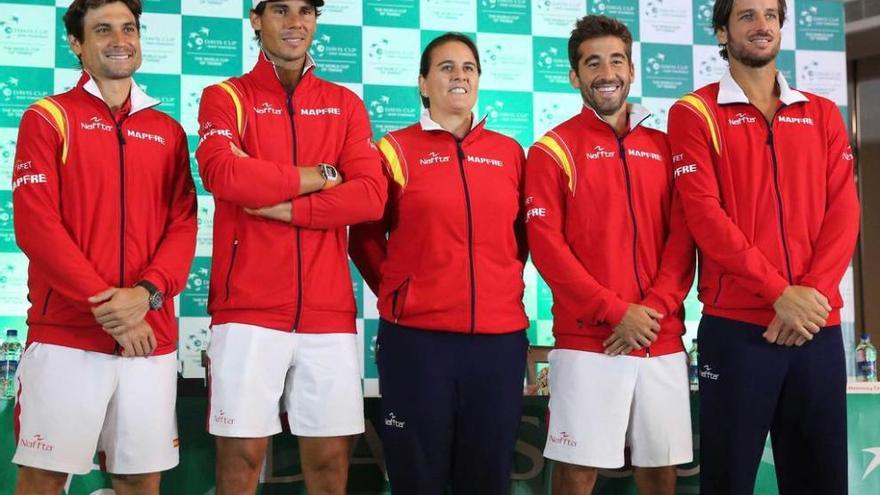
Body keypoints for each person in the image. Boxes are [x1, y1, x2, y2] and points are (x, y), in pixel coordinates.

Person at [666, 0, 860, 493]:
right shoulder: (694, 112)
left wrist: (809, 297)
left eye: (770, 15)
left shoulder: (821, 113)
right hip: (738, 332)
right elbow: (706, 218)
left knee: (821, 483)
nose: (761, 25)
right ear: (722, 30)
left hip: (815, 327)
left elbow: (844, 213)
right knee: (728, 482)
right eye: (747, 15)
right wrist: (779, 294)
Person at [195, 0, 386, 493]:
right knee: (240, 463)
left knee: (329, 465)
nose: (295, 22)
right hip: (248, 310)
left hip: (328, 313)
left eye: (305, 10)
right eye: (280, 10)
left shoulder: (344, 103)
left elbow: (369, 195)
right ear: (256, 19)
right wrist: (322, 176)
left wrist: (290, 207)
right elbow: (225, 173)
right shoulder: (225, 96)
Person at [10, 0, 197, 493]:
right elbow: (37, 226)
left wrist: (147, 295)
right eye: (103, 30)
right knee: (43, 479)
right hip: (67, 335)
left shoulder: (168, 131)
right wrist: (112, 308)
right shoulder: (47, 117)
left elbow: (183, 226)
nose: (120, 40)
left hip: (148, 339)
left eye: (129, 28)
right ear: (77, 44)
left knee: (139, 480)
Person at [349, 32, 529, 495]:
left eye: (468, 67)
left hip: (498, 342)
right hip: (417, 342)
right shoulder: (394, 149)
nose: (459, 75)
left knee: (488, 477)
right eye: (446, 67)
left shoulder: (510, 153)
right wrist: (401, 293)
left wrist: (497, 288)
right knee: (418, 476)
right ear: (424, 84)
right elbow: (365, 238)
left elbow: (521, 240)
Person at [524, 15, 695, 495]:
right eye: (592, 62)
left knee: (660, 471)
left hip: (660, 338)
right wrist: (615, 312)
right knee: (578, 473)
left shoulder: (664, 147)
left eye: (616, 60)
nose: (607, 72)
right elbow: (548, 249)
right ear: (574, 76)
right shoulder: (552, 150)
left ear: (632, 70)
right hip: (589, 340)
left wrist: (652, 313)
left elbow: (683, 239)